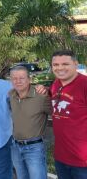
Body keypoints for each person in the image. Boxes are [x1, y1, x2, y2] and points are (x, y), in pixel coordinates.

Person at [8, 66, 51, 179]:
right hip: (15, 146)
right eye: (14, 78)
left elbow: (58, 113)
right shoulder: (11, 95)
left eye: (21, 78)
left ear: (29, 79)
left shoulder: (41, 96)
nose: (18, 81)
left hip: (34, 148)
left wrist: (46, 89)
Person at [50, 50, 87, 178]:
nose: (60, 68)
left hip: (83, 161)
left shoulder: (84, 84)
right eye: (55, 65)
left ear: (76, 64)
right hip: (61, 157)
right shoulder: (55, 85)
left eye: (65, 64)